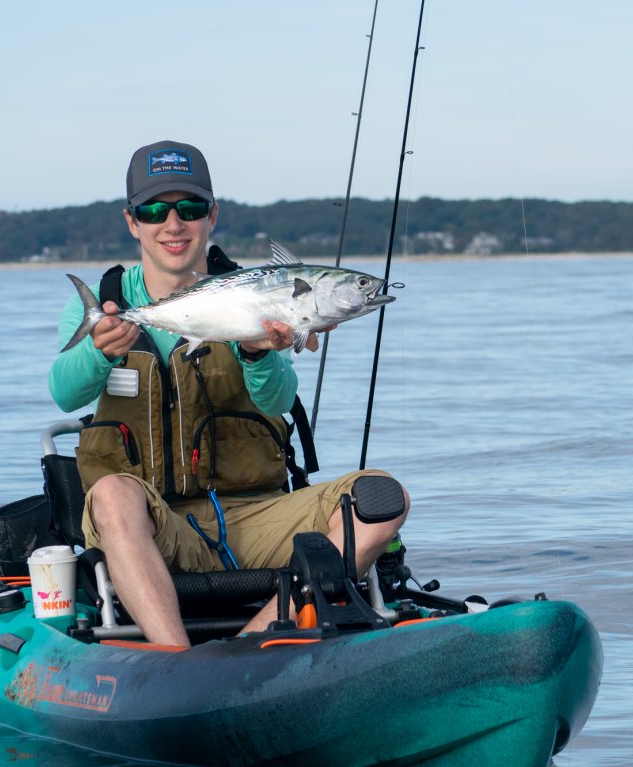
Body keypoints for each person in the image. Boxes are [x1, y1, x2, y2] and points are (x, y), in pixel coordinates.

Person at [48, 139, 409, 648]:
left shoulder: (252, 292)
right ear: (133, 222)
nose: (173, 224)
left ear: (211, 216)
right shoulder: (106, 303)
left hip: (254, 514)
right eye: (154, 210)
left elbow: (277, 403)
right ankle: (177, 659)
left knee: (381, 498)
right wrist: (100, 352)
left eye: (189, 208)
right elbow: (64, 393)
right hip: (151, 523)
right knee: (110, 492)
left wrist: (260, 353)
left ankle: (251, 642)